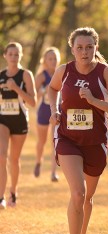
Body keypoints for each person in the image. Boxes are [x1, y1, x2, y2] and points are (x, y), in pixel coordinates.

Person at [48, 27, 108, 234]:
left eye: (89, 47)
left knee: (88, 198)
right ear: (72, 49)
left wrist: (94, 101)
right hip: (67, 139)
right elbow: (52, 89)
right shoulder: (64, 71)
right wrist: (54, 110)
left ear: (96, 48)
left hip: (95, 143)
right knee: (78, 193)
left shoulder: (106, 73)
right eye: (80, 48)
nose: (84, 52)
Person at [0, 42, 37, 209]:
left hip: (20, 121)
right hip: (3, 120)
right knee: (1, 157)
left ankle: (13, 192)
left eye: (17, 54)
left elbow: (33, 102)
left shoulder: (25, 75)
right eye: (11, 54)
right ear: (5, 56)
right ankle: (0, 197)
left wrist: (16, 88)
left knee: (14, 159)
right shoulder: (0, 75)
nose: (13, 57)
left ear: (21, 56)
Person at [33, 47, 61, 182]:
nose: (53, 61)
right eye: (50, 59)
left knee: (55, 142)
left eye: (55, 58)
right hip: (44, 111)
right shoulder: (41, 76)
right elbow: (33, 98)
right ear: (45, 61)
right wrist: (43, 92)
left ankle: (53, 173)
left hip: (57, 111)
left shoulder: (61, 73)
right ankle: (38, 161)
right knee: (42, 141)